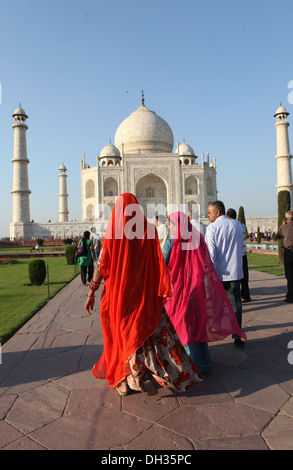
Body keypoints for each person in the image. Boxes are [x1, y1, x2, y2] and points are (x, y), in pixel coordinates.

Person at [84, 193, 203, 396]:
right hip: (145, 293)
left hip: (119, 296)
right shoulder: (148, 230)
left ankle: (124, 380)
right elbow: (157, 260)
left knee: (120, 336)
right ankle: (174, 373)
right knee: (151, 333)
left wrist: (91, 291)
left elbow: (102, 265)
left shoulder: (113, 232)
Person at [162, 211, 246, 374]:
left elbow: (161, 265)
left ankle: (188, 364)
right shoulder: (197, 239)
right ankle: (203, 363)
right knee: (197, 325)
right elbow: (205, 263)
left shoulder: (172, 243)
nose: (170, 228)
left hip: (178, 291)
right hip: (197, 288)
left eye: (171, 225)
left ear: (177, 225)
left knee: (182, 325)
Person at [205, 201, 245, 347]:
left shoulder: (212, 228)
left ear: (217, 212)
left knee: (215, 303)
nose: (208, 215)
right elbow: (240, 246)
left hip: (218, 273)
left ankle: (217, 330)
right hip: (235, 272)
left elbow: (211, 254)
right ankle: (237, 335)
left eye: (209, 212)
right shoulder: (238, 225)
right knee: (236, 304)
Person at [227, 208, 251, 302]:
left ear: (228, 216)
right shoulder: (242, 226)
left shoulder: (229, 226)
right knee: (244, 275)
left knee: (233, 276)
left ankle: (233, 296)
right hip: (242, 253)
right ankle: (246, 295)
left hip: (233, 254)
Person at [277, 211, 293, 303]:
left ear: (286, 219)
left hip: (289, 253)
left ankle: (290, 296)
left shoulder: (284, 227)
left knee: (289, 275)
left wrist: (282, 224)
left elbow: (278, 236)